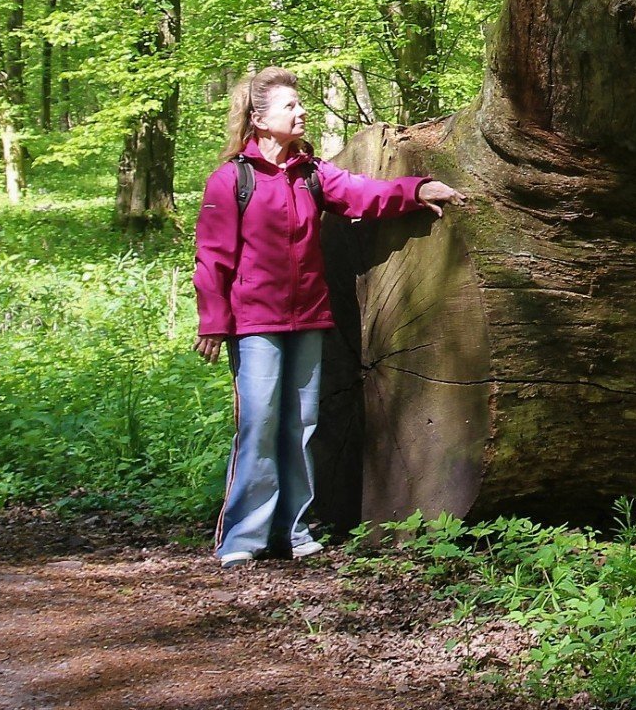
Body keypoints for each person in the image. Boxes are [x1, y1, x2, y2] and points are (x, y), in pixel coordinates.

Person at [192, 67, 462, 568]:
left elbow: (363, 193)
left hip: (309, 320)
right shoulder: (232, 179)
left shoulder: (311, 173)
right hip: (255, 326)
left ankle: (293, 531)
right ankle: (243, 538)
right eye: (290, 106)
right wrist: (212, 322)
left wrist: (417, 190)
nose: (302, 113)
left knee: (301, 425)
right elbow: (212, 257)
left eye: (300, 105)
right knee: (258, 424)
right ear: (258, 118)